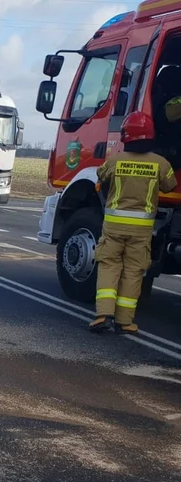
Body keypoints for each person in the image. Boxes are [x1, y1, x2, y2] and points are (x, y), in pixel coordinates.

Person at [90, 111, 177, 334]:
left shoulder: (115, 160)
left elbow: (101, 176)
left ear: (125, 136)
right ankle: (125, 321)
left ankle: (103, 315)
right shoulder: (160, 163)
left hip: (113, 228)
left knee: (109, 267)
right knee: (133, 272)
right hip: (142, 232)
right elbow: (169, 186)